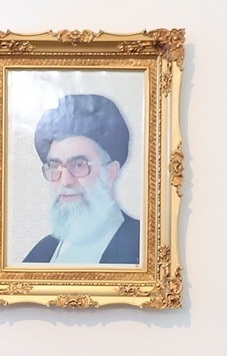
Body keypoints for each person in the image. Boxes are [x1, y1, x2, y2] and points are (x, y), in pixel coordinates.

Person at [22, 94, 140, 266]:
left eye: (78, 165)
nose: (65, 181)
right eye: (55, 166)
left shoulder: (142, 246)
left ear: (110, 173)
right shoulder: (41, 253)